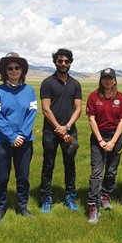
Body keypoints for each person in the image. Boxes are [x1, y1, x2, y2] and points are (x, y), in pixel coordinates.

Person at [0, 52, 38, 224]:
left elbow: (32, 114)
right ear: (5, 71)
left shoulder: (29, 90)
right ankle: (0, 208)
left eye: (17, 67)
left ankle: (22, 207)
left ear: (22, 70)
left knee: (23, 177)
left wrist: (22, 136)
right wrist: (11, 137)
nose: (14, 70)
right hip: (2, 142)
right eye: (10, 68)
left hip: (24, 142)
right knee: (2, 177)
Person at [39, 48, 82, 212]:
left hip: (70, 131)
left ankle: (70, 196)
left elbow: (78, 109)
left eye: (66, 61)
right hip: (51, 132)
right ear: (55, 62)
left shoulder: (75, 84)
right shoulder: (48, 82)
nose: (63, 63)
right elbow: (46, 109)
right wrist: (59, 129)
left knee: (70, 165)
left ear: (70, 62)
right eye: (60, 61)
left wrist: (67, 128)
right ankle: (46, 198)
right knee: (48, 164)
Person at [85, 68, 122, 224]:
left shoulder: (121, 98)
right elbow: (91, 119)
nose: (107, 81)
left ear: (115, 80)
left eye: (110, 78)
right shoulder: (94, 97)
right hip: (98, 136)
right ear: (101, 80)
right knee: (96, 172)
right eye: (104, 78)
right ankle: (93, 206)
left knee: (111, 171)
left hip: (115, 137)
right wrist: (101, 141)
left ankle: (105, 196)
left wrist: (112, 142)